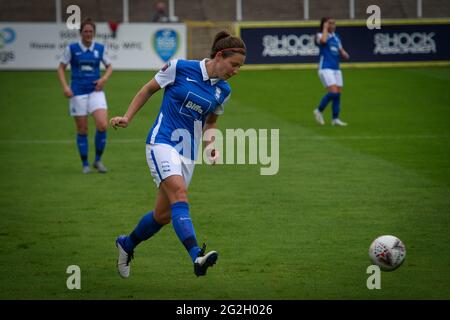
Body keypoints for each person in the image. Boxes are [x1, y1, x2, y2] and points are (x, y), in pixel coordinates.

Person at [110, 30, 246, 278]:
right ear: (219, 56)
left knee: (162, 215)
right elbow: (148, 89)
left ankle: (126, 244)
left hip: (187, 153)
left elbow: (211, 123)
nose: (236, 70)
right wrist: (127, 117)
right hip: (161, 142)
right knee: (180, 195)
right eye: (233, 64)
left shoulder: (223, 90)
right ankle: (197, 256)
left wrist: (211, 147)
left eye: (240, 67)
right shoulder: (179, 67)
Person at [57, 18, 112, 173]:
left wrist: (104, 79)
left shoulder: (100, 48)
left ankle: (98, 160)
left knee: (102, 124)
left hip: (96, 91)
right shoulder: (72, 49)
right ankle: (85, 164)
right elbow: (61, 68)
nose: (88, 34)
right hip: (77, 93)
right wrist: (66, 87)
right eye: (85, 31)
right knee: (83, 129)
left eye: (91, 31)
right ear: (80, 33)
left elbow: (109, 66)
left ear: (94, 33)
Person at [313, 17, 350, 126]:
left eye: (334, 23)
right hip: (325, 68)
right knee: (333, 92)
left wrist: (344, 53)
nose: (333, 25)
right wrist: (324, 28)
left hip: (336, 68)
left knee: (337, 94)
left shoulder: (336, 37)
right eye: (330, 23)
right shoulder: (320, 35)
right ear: (325, 25)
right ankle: (318, 111)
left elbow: (341, 50)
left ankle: (335, 119)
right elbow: (323, 41)